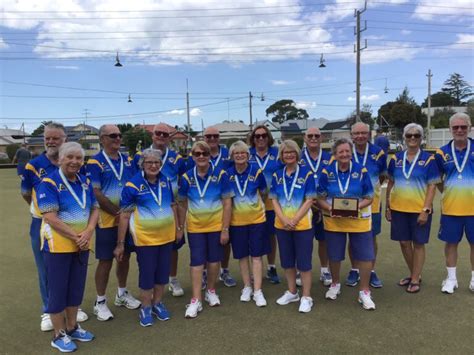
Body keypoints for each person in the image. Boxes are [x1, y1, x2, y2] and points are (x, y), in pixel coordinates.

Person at [21, 122, 88, 331]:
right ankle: (47, 310)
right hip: (43, 223)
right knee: (46, 268)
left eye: (55, 138)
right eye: (47, 138)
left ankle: (70, 309)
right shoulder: (34, 165)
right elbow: (25, 193)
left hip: (72, 223)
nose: (51, 141)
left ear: (64, 140)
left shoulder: (75, 162)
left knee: (72, 268)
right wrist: (46, 210)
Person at [37, 142, 99, 352]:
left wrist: (89, 231)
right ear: (60, 158)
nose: (74, 162)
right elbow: (50, 217)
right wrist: (76, 236)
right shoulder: (49, 182)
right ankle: (58, 334)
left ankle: (72, 327)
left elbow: (94, 208)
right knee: (58, 291)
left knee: (75, 289)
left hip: (81, 244)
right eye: (70, 157)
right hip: (58, 247)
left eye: (78, 158)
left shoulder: (85, 181)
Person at [115, 148, 181, 326]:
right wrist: (121, 243)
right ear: (142, 165)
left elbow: (173, 205)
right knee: (147, 273)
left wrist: (178, 228)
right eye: (149, 162)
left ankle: (158, 303)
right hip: (145, 239)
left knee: (162, 273)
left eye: (157, 162)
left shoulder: (166, 181)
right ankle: (145, 306)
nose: (153, 166)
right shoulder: (133, 185)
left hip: (166, 236)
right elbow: (124, 216)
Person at [86, 125, 140, 321]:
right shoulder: (95, 162)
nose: (117, 138)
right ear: (102, 139)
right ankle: (100, 301)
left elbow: (135, 185)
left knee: (124, 256)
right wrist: (117, 213)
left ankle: (122, 293)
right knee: (106, 260)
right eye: (112, 135)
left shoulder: (128, 160)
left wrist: (125, 215)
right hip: (107, 220)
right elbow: (96, 192)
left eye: (119, 135)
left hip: (127, 218)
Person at [317, 138, 376, 310]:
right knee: (334, 255)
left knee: (365, 256)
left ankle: (364, 291)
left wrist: (355, 207)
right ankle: (335, 284)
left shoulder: (361, 170)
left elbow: (369, 197)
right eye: (340, 152)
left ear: (351, 153)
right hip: (334, 220)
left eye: (347, 151)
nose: (344, 154)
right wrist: (330, 208)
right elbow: (320, 197)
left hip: (359, 220)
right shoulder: (327, 172)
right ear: (334, 154)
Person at [177, 141, 233, 318]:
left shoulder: (221, 174)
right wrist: (180, 226)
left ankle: (211, 290)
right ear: (192, 157)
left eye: (205, 153)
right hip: (195, 227)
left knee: (214, 260)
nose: (201, 157)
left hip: (216, 225)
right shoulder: (186, 177)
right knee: (197, 262)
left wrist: (225, 228)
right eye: (197, 154)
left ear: (210, 155)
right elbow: (182, 203)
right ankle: (196, 299)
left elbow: (227, 203)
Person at [133, 123, 187, 297]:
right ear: (152, 135)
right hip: (147, 209)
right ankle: (149, 287)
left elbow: (184, 180)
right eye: (158, 133)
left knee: (173, 247)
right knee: (148, 250)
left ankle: (172, 278)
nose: (161, 136)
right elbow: (134, 179)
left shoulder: (176, 158)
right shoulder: (140, 156)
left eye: (165, 134)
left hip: (170, 207)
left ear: (170, 137)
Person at [386, 123, 440, 293]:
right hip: (398, 208)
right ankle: (414, 273)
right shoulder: (396, 158)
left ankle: (415, 278)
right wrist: (388, 205)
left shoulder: (428, 160)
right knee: (403, 242)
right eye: (409, 135)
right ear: (404, 138)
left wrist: (425, 209)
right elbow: (391, 182)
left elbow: (432, 186)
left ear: (421, 139)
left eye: (416, 135)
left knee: (418, 243)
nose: (412, 138)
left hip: (419, 209)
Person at [270, 140, 316, 313]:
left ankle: (306, 296)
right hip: (282, 225)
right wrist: (283, 219)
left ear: (297, 153)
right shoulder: (277, 175)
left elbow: (310, 199)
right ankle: (292, 292)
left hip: (302, 225)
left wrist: (295, 219)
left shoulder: (307, 174)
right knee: (287, 261)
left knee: (304, 262)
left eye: (291, 152)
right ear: (281, 155)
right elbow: (273, 199)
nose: (288, 155)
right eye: (285, 152)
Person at [187, 126, 236, 288]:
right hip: (200, 211)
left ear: (219, 137)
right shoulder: (194, 159)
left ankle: (225, 270)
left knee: (224, 242)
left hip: (224, 202)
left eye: (215, 135)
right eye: (209, 136)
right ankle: (205, 274)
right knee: (201, 249)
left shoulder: (227, 156)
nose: (212, 138)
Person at [434, 113, 474, 294]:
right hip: (451, 208)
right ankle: (451, 279)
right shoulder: (441, 153)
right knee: (451, 244)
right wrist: (449, 192)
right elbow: (437, 180)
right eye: (456, 127)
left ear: (470, 128)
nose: (459, 130)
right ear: (450, 129)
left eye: (463, 127)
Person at [346, 123, 387, 288]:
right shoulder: (346, 151)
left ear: (369, 134)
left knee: (371, 237)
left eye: (364, 133)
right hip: (349, 203)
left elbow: (382, 177)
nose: (360, 136)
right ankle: (354, 269)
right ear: (351, 135)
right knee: (352, 235)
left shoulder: (378, 153)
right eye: (357, 133)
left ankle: (370, 270)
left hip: (372, 203)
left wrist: (371, 191)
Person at [227, 141, 268, 307]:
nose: (239, 155)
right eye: (236, 153)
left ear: (247, 155)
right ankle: (247, 287)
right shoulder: (227, 174)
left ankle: (258, 290)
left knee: (257, 256)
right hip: (236, 222)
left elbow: (264, 193)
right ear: (232, 156)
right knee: (242, 256)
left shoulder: (257, 171)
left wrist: (254, 208)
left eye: (242, 153)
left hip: (257, 220)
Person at [248, 125, 284, 284]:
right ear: (253, 138)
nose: (260, 138)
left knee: (271, 236)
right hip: (251, 206)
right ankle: (254, 270)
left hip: (272, 204)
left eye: (263, 135)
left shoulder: (277, 153)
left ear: (268, 137)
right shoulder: (247, 154)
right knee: (253, 237)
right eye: (257, 136)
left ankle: (271, 267)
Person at [298, 127, 332, 287]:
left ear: (322, 138)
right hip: (303, 206)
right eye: (310, 135)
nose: (313, 138)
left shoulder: (330, 158)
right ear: (304, 138)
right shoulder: (297, 157)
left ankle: (324, 270)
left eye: (316, 135)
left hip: (324, 205)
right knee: (303, 240)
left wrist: (321, 203)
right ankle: (301, 269)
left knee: (323, 240)